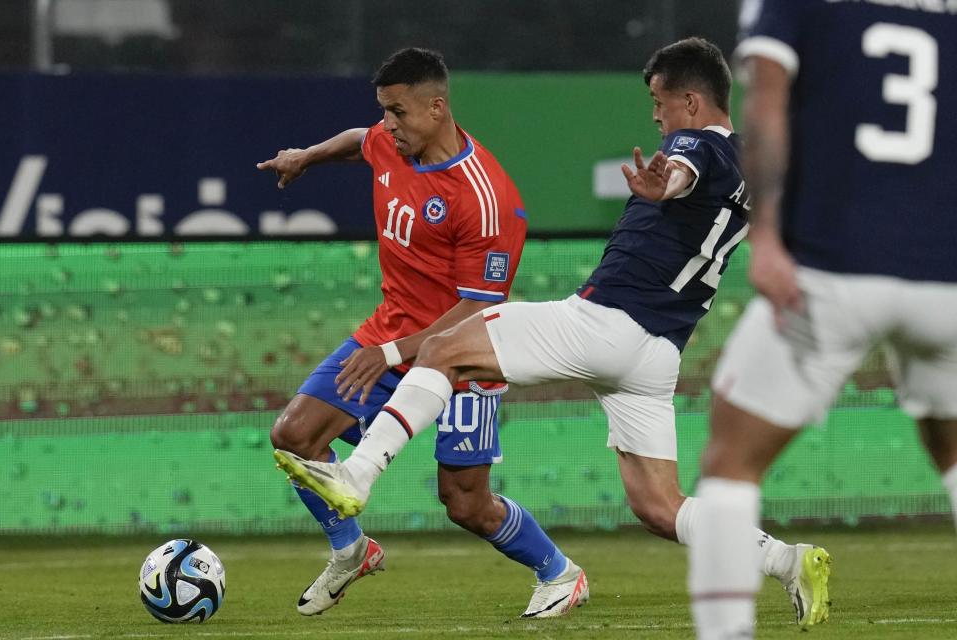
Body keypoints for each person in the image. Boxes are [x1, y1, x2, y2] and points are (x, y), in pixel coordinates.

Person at [277, 38, 827, 624]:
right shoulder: (748, 165)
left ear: (691, 101)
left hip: (604, 322)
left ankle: (357, 475)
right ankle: (785, 560)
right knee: (659, 506)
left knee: (442, 349)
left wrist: (661, 185)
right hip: (658, 353)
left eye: (659, 102)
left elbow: (682, 169)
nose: (655, 116)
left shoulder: (694, 144)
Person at [258, 47, 587, 618]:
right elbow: (358, 139)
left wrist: (391, 353)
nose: (388, 124)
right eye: (385, 110)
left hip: (464, 355)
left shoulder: (486, 198)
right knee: (293, 437)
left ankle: (560, 573)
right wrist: (306, 157)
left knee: (465, 503)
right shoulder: (389, 142)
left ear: (437, 108)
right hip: (386, 335)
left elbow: (482, 306)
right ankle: (351, 551)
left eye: (399, 112)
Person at [688, 1, 957, 638]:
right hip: (945, 275)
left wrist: (771, 235)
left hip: (833, 269)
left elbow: (766, 106)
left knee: (731, 461)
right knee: (953, 453)